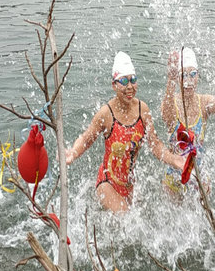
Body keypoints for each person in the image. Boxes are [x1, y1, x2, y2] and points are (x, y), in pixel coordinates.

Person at [66, 51, 184, 214]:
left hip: (130, 185)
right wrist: (73, 152)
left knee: (137, 222)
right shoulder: (106, 114)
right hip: (107, 183)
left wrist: (174, 160)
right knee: (126, 217)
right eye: (123, 81)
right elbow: (86, 139)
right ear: (114, 85)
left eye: (133, 80)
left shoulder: (143, 110)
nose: (129, 87)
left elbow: (155, 144)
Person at [160, 38, 215, 198]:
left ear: (198, 75)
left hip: (200, 178)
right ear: (178, 77)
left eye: (193, 74)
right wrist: (170, 80)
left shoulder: (203, 102)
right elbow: (166, 115)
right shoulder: (171, 103)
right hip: (174, 178)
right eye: (184, 75)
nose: (189, 81)